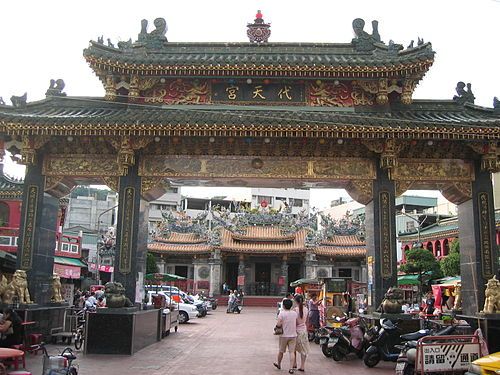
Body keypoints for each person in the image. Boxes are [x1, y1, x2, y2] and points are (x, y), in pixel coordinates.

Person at [274, 299, 297, 374]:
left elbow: (279, 324)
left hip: (284, 335)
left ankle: (279, 364)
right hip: (293, 335)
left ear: (283, 306)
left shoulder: (282, 313)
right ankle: (291, 368)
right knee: (292, 352)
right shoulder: (294, 313)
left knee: (281, 351)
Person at [293, 294, 309, 372]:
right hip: (303, 331)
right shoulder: (306, 309)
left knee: (293, 348)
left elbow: (294, 322)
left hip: (296, 331)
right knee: (304, 349)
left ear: (295, 301)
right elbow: (307, 321)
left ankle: (294, 363)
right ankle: (302, 366)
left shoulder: (295, 310)